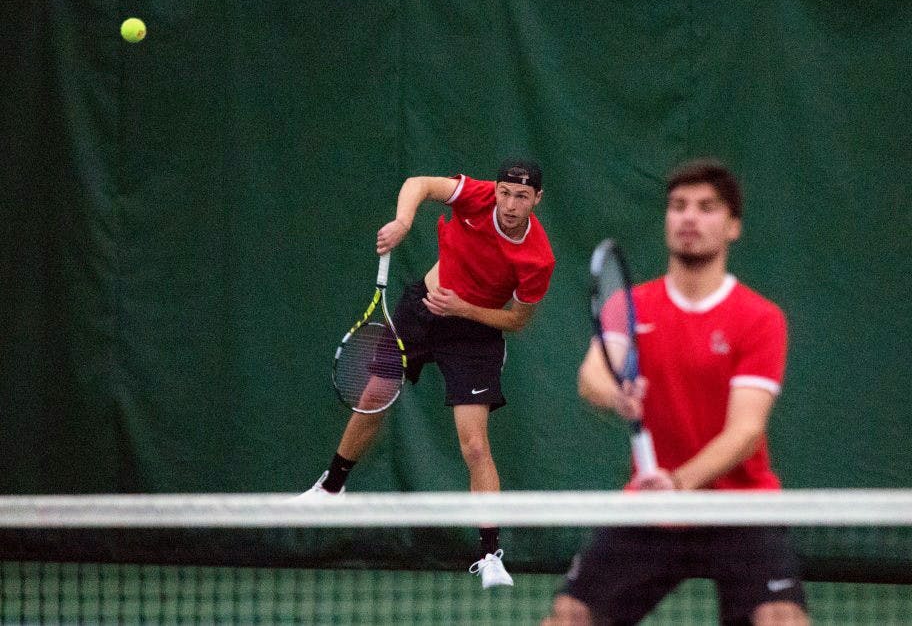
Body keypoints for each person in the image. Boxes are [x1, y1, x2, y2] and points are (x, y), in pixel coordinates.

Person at [544, 159, 809, 625]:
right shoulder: (630, 305)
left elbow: (746, 431)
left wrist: (679, 483)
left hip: (740, 506)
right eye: (678, 205)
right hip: (653, 504)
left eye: (707, 208)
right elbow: (592, 376)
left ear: (733, 227)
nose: (689, 217)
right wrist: (618, 397)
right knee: (571, 614)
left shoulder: (760, 318)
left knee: (780, 617)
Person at [299, 158, 555, 589]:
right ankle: (330, 489)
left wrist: (464, 309)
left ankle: (490, 555)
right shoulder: (476, 196)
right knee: (374, 395)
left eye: (522, 197)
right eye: (505, 193)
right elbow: (418, 183)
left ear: (537, 199)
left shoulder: (538, 259)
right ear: (495, 189)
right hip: (422, 311)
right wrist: (403, 222)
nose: (511, 204)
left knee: (475, 445)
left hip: (474, 333)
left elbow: (517, 320)